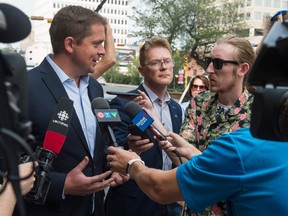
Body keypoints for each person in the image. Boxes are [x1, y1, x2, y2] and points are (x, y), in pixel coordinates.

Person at [131, 35, 256, 215]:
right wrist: (152, 117)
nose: (209, 69)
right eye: (209, 61)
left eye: (218, 63)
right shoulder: (200, 103)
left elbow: (243, 178)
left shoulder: (259, 114)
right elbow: (179, 157)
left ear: (242, 69)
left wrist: (192, 154)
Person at [25, 6, 125, 216]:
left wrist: (115, 164)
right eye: (96, 44)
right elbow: (5, 164)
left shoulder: (95, 89)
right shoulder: (24, 88)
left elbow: (96, 147)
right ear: (70, 44)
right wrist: (61, 185)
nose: (102, 52)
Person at [106, 125, 288, 216]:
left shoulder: (241, 145)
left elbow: (159, 188)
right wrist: (195, 155)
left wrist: (132, 164)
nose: (208, 69)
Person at [104, 36, 183, 216]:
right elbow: (111, 152)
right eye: (155, 62)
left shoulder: (176, 108)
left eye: (167, 61)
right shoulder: (123, 104)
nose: (163, 67)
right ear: (142, 70)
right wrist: (131, 149)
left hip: (170, 202)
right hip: (134, 203)